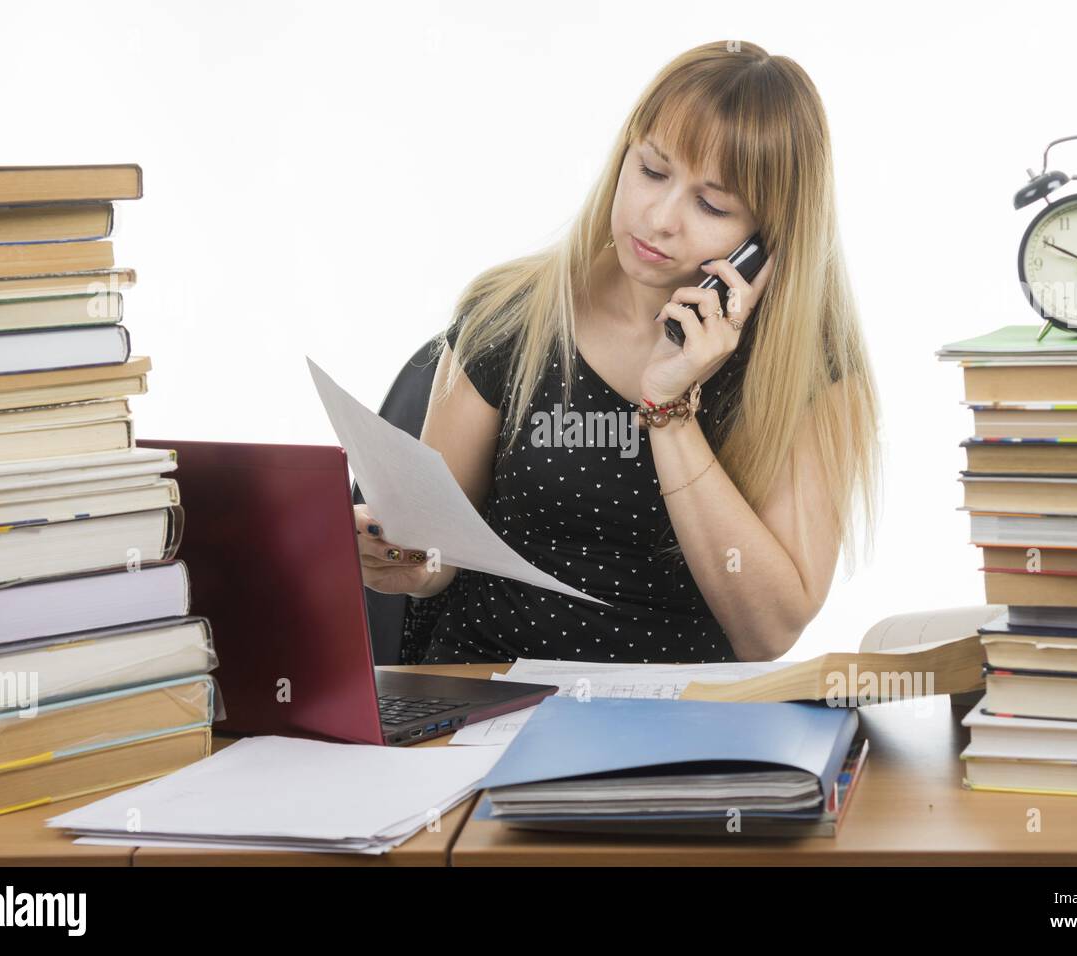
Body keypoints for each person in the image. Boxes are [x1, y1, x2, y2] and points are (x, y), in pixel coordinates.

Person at [355, 40, 881, 664]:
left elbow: (767, 631)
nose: (658, 218)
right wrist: (401, 558)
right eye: (652, 171)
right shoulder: (510, 314)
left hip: (680, 728)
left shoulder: (807, 372)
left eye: (712, 205)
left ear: (766, 241)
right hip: (485, 699)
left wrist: (670, 408)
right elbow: (435, 555)